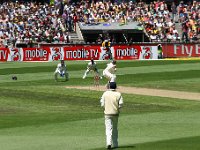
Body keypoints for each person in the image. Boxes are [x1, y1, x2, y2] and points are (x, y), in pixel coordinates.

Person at [100, 82, 123, 149]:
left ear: (109, 87)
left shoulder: (105, 93)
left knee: (108, 129)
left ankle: (109, 143)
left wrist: (105, 108)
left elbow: (102, 104)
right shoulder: (118, 94)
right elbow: (121, 104)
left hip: (107, 114)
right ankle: (115, 144)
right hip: (115, 114)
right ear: (115, 87)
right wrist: (118, 109)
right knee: (115, 129)